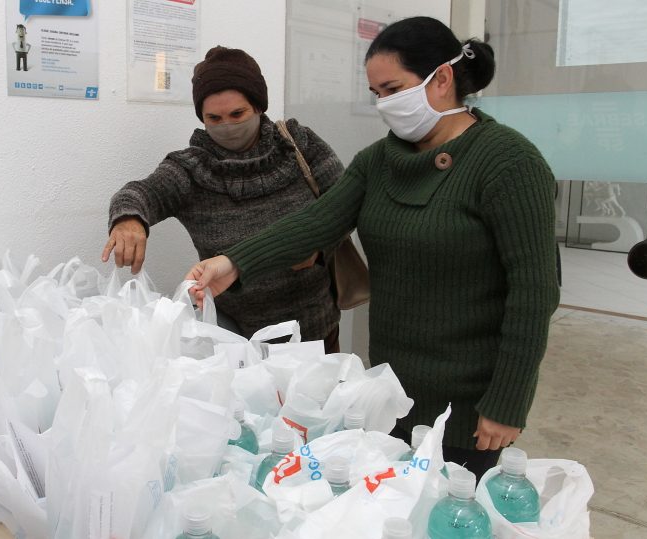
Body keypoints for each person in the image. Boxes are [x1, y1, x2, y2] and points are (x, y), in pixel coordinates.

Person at [185, 17, 560, 479]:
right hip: (389, 389)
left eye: (393, 88)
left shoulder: (509, 163)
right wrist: (233, 263)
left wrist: (506, 402)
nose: (384, 104)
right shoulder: (379, 161)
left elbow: (535, 292)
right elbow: (317, 222)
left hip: (467, 401)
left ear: (441, 79)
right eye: (376, 93)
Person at [102, 46, 344, 352]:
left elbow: (345, 205)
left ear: (258, 106)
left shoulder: (299, 145)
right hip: (237, 345)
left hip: (316, 335)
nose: (227, 126)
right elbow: (141, 192)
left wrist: (319, 249)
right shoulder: (192, 169)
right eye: (214, 117)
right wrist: (129, 219)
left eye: (237, 114)